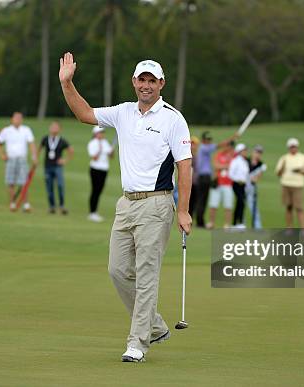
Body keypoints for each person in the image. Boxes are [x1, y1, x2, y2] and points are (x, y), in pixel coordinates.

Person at [59, 53, 192, 363]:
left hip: (157, 204)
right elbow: (85, 114)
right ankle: (155, 325)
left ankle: (138, 342)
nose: (146, 85)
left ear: (161, 84)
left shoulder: (173, 118)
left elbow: (184, 167)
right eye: (141, 79)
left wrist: (183, 210)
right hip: (126, 204)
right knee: (117, 270)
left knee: (147, 275)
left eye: (151, 80)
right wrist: (67, 84)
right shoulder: (123, 112)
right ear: (134, 82)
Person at [194, 131, 239, 228]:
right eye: (207, 140)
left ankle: (200, 221)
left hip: (204, 177)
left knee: (202, 200)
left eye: (210, 139)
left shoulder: (205, 148)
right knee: (202, 200)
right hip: (203, 177)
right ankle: (200, 222)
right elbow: (219, 146)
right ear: (203, 140)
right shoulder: (204, 147)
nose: (209, 141)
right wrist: (232, 138)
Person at [0, 112, 37, 212]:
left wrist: (34, 156)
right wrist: (1, 155)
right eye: (16, 118)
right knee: (11, 182)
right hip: (11, 158)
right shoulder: (7, 130)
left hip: (22, 159)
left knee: (24, 181)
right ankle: (12, 203)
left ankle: (26, 204)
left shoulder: (26, 130)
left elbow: (31, 144)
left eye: (19, 118)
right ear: (12, 119)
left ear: (22, 120)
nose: (17, 120)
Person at [275, 138, 304, 233]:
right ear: (288, 148)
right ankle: (289, 228)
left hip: (298, 185)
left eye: (294, 147)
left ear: (297, 147)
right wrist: (283, 167)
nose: (293, 148)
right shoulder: (284, 158)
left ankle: (303, 228)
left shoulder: (303, 158)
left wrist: (300, 171)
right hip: (286, 184)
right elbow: (278, 173)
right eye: (291, 147)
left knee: (299, 207)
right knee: (288, 207)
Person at [38, 122, 74, 214]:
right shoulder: (45, 139)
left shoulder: (62, 141)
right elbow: (39, 149)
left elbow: (71, 150)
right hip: (47, 166)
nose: (54, 128)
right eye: (52, 126)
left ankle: (61, 206)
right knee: (49, 187)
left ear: (60, 129)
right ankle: (52, 206)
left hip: (58, 167)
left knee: (60, 185)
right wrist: (36, 158)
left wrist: (65, 160)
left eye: (56, 127)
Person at [87, 126, 114, 222]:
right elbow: (94, 158)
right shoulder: (92, 143)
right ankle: (92, 213)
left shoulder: (105, 142)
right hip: (95, 169)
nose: (102, 134)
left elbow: (111, 157)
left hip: (104, 169)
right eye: (99, 133)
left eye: (102, 133)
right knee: (95, 191)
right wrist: (99, 150)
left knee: (99, 191)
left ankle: (94, 212)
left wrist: (111, 151)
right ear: (95, 134)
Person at [206, 141, 235, 229]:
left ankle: (227, 224)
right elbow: (216, 166)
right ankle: (211, 223)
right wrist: (226, 166)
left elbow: (233, 167)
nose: (227, 148)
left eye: (229, 146)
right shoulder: (219, 154)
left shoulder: (233, 156)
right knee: (213, 204)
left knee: (228, 205)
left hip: (228, 183)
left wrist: (223, 166)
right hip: (217, 183)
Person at [229, 143, 249, 228]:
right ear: (240, 152)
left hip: (243, 185)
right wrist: (238, 180)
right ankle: (237, 223)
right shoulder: (235, 161)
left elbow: (246, 175)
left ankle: (237, 223)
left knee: (240, 203)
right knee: (241, 201)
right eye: (244, 150)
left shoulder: (245, 161)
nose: (246, 152)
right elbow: (231, 174)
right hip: (236, 184)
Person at [247, 145, 266, 229]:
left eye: (260, 153)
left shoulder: (261, 165)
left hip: (252, 187)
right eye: (256, 152)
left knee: (253, 207)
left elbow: (258, 177)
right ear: (253, 152)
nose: (258, 154)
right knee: (240, 206)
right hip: (241, 186)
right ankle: (240, 225)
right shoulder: (245, 160)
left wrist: (255, 179)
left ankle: (258, 227)